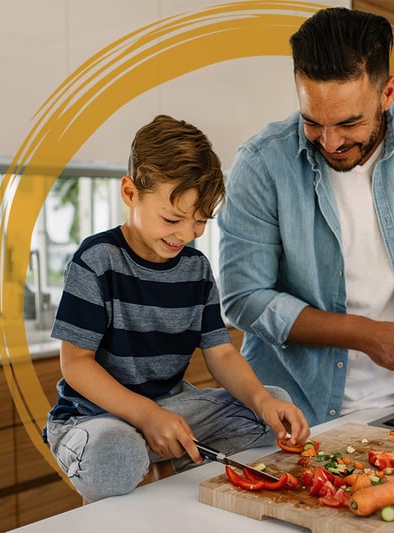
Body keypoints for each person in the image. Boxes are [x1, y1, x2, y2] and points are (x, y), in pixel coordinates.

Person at [217, 7, 394, 426]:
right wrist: (366, 334)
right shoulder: (260, 164)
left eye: (349, 122)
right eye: (313, 121)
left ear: (387, 93)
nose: (330, 142)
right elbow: (244, 300)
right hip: (292, 410)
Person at [44, 115, 309, 503]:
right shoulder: (96, 260)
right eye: (172, 218)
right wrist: (146, 417)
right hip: (94, 417)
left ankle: (157, 460)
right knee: (114, 452)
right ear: (131, 193)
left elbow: (220, 353)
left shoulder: (196, 268)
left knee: (269, 409)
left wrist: (262, 400)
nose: (186, 235)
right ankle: (147, 460)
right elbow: (76, 364)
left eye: (200, 221)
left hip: (169, 406)